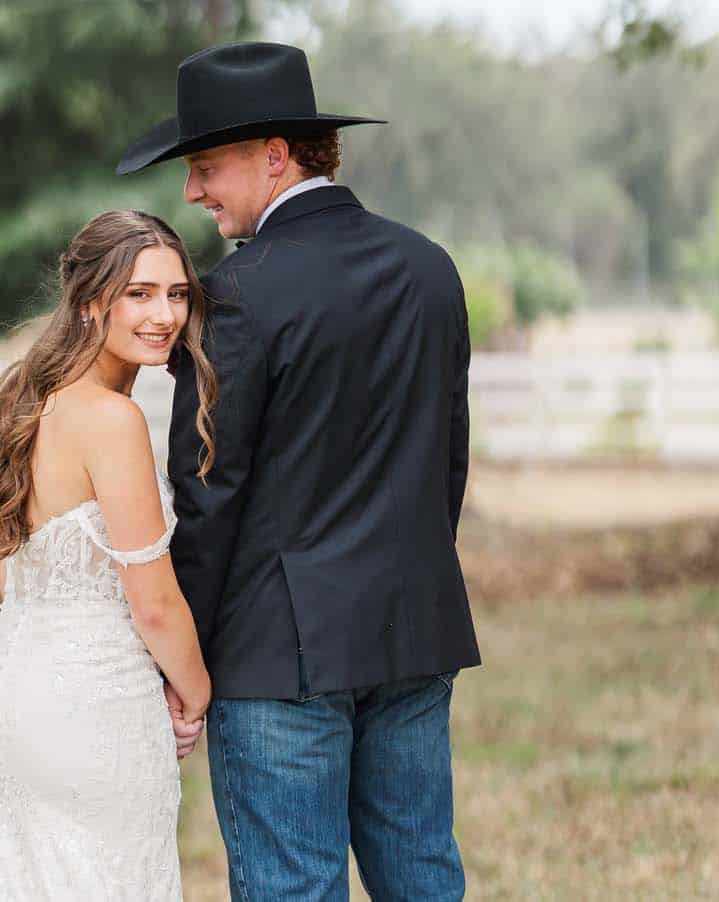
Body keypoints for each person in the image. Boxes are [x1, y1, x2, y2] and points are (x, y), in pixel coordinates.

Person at [118, 41, 483, 900]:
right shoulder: (429, 269)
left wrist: (186, 664)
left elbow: (209, 498)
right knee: (423, 879)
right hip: (411, 632)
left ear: (273, 157)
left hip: (276, 661)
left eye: (205, 165)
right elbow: (447, 462)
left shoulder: (236, 296)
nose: (191, 191)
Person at [0, 210, 216, 900]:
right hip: (91, 703)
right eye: (140, 294)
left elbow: (9, 564)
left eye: (177, 293)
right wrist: (195, 695)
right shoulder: (110, 418)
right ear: (91, 299)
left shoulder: (27, 403)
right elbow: (153, 604)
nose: (164, 314)